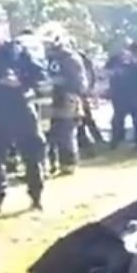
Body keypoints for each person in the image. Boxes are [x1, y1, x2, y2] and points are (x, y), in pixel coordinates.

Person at [0, 16, 49, 212]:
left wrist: (21, 81)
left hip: (19, 104)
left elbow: (39, 73)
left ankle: (36, 196)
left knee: (32, 150)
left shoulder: (15, 49)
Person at [45, 34, 87, 175]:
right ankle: (50, 164)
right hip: (48, 100)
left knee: (66, 134)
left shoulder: (71, 59)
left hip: (67, 100)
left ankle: (68, 164)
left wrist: (60, 82)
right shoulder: (44, 58)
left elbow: (80, 83)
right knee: (48, 135)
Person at [104, 43, 137, 149]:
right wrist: (114, 73)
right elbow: (105, 71)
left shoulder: (136, 61)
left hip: (134, 93)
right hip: (118, 93)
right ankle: (117, 139)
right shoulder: (115, 60)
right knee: (117, 119)